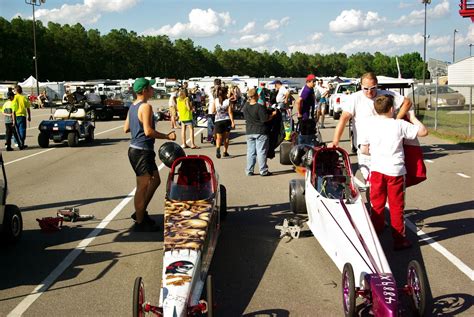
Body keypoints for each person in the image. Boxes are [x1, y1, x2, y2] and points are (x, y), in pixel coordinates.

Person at [359, 95, 427, 250]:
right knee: (396, 207)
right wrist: (413, 117)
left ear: (376, 110)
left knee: (377, 204)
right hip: (395, 170)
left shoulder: (369, 125)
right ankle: (399, 239)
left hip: (376, 169)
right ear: (392, 109)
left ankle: (375, 234)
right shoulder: (399, 124)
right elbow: (423, 132)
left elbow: (364, 149)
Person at [330, 72, 412, 180]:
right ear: (361, 85)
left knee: (389, 180)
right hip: (366, 148)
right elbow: (343, 119)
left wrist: (396, 120)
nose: (369, 92)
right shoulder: (355, 98)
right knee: (371, 182)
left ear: (377, 85)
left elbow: (407, 102)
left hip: (386, 147)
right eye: (366, 88)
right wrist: (335, 141)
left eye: (373, 88)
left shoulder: (385, 95)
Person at [124, 77, 176, 232]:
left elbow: (126, 128)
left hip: (138, 149)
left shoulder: (133, 106)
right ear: (145, 90)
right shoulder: (146, 106)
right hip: (141, 152)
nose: (153, 90)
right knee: (142, 186)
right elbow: (148, 131)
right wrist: (167, 136)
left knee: (155, 180)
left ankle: (140, 212)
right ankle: (140, 222)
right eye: (151, 88)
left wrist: (137, 126)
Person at [243, 88, 277, 176]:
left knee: (251, 152)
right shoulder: (259, 106)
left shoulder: (245, 106)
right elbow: (265, 119)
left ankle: (249, 170)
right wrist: (272, 115)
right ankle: (263, 170)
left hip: (249, 131)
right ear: (256, 96)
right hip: (260, 131)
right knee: (261, 151)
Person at [213, 86, 235, 158]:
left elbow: (213, 111)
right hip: (226, 120)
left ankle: (218, 149)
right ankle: (225, 151)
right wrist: (232, 122)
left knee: (218, 137)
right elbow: (230, 112)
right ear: (225, 93)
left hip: (218, 120)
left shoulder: (215, 100)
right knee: (226, 137)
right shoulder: (228, 101)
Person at [296, 74, 317, 145]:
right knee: (306, 136)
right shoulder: (307, 90)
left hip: (309, 116)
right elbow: (298, 101)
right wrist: (299, 113)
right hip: (305, 117)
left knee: (311, 134)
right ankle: (303, 150)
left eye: (315, 81)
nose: (315, 83)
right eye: (313, 81)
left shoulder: (311, 89)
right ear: (308, 81)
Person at [11, 85, 30, 149]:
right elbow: (28, 107)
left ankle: (16, 142)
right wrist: (29, 116)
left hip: (16, 115)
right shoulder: (24, 97)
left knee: (16, 130)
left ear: (16, 91)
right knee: (22, 129)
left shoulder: (14, 98)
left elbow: (13, 108)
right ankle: (22, 142)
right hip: (22, 115)